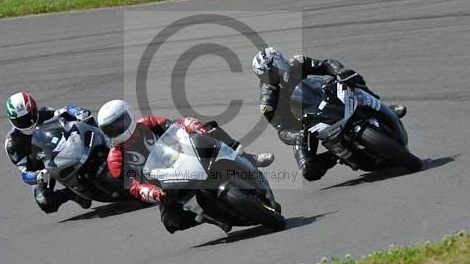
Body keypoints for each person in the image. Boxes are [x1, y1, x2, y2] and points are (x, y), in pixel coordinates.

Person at [97, 99, 274, 234]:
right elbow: (134, 185)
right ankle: (206, 217)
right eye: (110, 129)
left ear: (128, 116)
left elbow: (178, 124)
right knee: (170, 221)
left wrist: (194, 126)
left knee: (210, 129)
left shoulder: (149, 123)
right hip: (163, 182)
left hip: (184, 155)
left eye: (118, 124)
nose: (117, 130)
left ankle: (248, 157)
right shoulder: (116, 159)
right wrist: (152, 192)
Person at [252, 47, 406, 181]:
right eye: (267, 74)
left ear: (281, 61)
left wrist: (338, 70)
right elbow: (281, 129)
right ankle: (337, 155)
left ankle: (383, 107)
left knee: (351, 77)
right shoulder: (268, 103)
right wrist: (296, 136)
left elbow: (325, 64)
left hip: (322, 94)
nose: (274, 74)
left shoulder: (297, 63)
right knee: (309, 171)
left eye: (275, 69)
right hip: (305, 123)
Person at [4, 91, 94, 213]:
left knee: (88, 123)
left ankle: (112, 145)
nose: (26, 123)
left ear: (34, 111)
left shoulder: (45, 113)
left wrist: (78, 112)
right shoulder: (12, 143)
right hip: (42, 168)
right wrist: (37, 176)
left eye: (28, 118)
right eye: (20, 121)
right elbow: (25, 174)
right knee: (45, 202)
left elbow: (66, 110)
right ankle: (72, 194)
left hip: (63, 147)